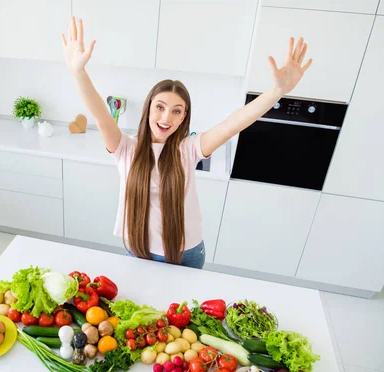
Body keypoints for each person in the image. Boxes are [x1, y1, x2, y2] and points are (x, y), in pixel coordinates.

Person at [62, 17, 312, 269]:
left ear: (184, 118)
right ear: (148, 108)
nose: (166, 118)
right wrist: (78, 72)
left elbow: (234, 123)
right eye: (160, 107)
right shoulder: (126, 148)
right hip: (139, 252)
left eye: (176, 111)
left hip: (186, 254)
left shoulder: (188, 150)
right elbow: (101, 115)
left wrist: (276, 92)